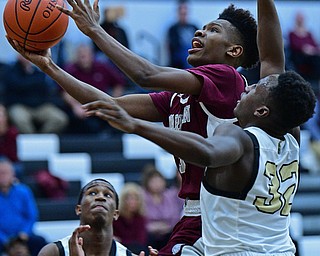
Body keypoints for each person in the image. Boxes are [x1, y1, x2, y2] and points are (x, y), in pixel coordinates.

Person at [6, 0, 259, 255]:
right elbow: (107, 104)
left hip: (224, 214)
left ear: (234, 51)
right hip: (194, 214)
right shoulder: (176, 98)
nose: (200, 32)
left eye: (213, 30)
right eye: (203, 27)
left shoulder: (227, 78)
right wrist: (49, 66)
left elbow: (145, 75)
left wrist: (95, 30)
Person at [81, 0, 316, 254]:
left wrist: (95, 30)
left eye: (255, 88)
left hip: (229, 238)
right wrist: (49, 66)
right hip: (275, 246)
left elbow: (206, 150)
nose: (247, 87)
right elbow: (272, 61)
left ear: (262, 109)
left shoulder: (238, 131)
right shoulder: (289, 136)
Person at [37, 178, 152, 256]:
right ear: (79, 209)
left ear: (116, 214)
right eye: (92, 193)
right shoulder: (52, 252)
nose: (100, 198)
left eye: (107, 195)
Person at [62, 44, 126, 134]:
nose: (83, 58)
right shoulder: (70, 70)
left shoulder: (102, 67)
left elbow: (119, 83)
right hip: (82, 107)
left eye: (85, 56)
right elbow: (64, 91)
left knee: (119, 118)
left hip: (102, 105)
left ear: (92, 56)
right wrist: (75, 106)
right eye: (81, 56)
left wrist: (114, 101)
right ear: (76, 56)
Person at [2, 55, 68, 134]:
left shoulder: (38, 71)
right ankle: (32, 140)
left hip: (40, 106)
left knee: (60, 118)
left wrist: (26, 83)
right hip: (20, 106)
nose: (27, 57)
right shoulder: (10, 71)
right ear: (18, 56)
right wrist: (31, 82)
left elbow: (44, 87)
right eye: (23, 54)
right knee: (20, 119)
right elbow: (17, 84)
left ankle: (41, 140)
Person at [0, 157, 48, 256]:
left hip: (22, 236)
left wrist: (24, 233)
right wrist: (4, 239)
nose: (3, 176)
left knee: (40, 242)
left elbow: (31, 216)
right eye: (0, 173)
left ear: (12, 174)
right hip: (2, 238)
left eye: (5, 173)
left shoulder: (23, 191)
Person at [141, 165, 183, 250]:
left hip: (169, 232)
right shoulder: (142, 197)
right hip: (149, 235)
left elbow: (176, 216)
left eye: (159, 181)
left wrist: (168, 227)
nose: (157, 184)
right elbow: (140, 219)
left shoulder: (171, 195)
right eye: (153, 181)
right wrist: (151, 227)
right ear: (147, 183)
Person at [288, 11, 320, 95]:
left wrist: (312, 50)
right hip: (299, 57)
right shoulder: (292, 33)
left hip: (311, 57)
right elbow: (294, 45)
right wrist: (304, 49)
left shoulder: (308, 33)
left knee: (316, 59)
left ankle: (316, 80)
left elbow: (315, 45)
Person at [113, 182, 148, 255]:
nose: (132, 201)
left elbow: (140, 240)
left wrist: (122, 240)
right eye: (129, 198)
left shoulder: (140, 218)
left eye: (136, 198)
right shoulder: (115, 218)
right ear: (122, 200)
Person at [166, 0, 198, 69]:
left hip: (193, 52)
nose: (183, 16)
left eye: (185, 13)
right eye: (182, 14)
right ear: (178, 13)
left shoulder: (194, 27)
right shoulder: (173, 29)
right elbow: (173, 46)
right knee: (185, 51)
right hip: (179, 55)